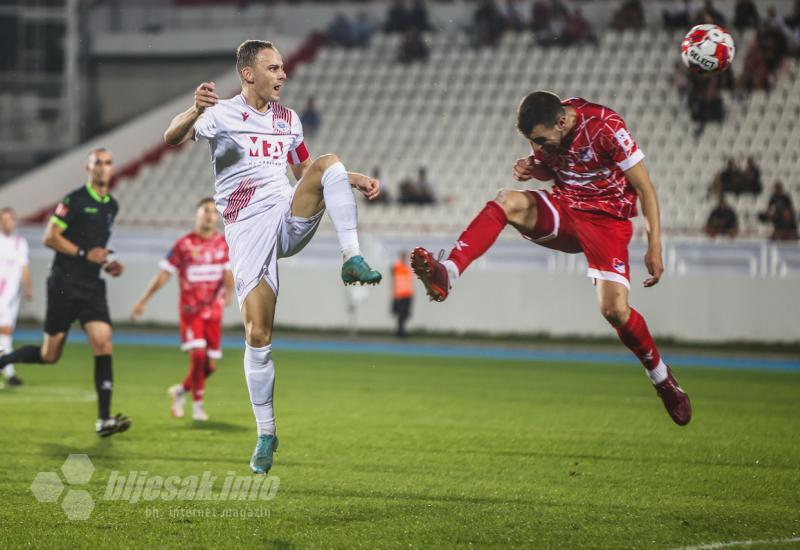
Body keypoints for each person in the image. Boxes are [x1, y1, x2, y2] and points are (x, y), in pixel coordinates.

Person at [163, 40, 382, 474]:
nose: (282, 75)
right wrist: (193, 109)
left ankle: (351, 257)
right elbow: (172, 137)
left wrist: (346, 176)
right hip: (246, 229)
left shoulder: (288, 119)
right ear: (248, 73)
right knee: (257, 334)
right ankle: (266, 433)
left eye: (283, 68)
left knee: (328, 161)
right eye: (273, 68)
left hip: (286, 215)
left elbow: (305, 171)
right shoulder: (221, 113)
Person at [411, 91, 691, 426]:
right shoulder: (546, 132)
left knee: (614, 310)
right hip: (566, 209)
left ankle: (661, 378)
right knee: (507, 201)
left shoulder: (606, 126)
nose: (539, 146)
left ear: (562, 121)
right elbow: (552, 166)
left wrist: (654, 245)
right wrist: (534, 168)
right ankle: (449, 272)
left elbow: (646, 189)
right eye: (533, 142)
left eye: (542, 140)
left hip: (607, 221)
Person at [0, 149, 131, 437]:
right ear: (88, 168)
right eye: (98, 162)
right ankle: (3, 360)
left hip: (92, 285)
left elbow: (96, 249)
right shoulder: (75, 201)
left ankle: (104, 419)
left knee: (103, 342)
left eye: (108, 163)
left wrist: (107, 264)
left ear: (112, 169)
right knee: (49, 355)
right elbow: (50, 237)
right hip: (64, 283)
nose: (103, 167)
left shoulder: (112, 206)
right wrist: (85, 253)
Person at [130, 198, 233, 422]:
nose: (209, 215)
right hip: (191, 310)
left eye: (213, 212)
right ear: (196, 214)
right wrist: (143, 300)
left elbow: (228, 271)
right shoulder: (183, 245)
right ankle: (198, 407)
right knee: (197, 355)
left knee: (210, 366)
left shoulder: (223, 243)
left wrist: (230, 293)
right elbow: (164, 274)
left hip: (213, 312)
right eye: (205, 210)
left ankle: (180, 391)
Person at [0, 207, 33, 386]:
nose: (8, 223)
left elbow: (24, 267)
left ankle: (8, 371)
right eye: (4, 219)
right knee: (4, 333)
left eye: (10, 219)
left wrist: (28, 287)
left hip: (9, 297)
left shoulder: (19, 243)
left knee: (5, 333)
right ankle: (9, 371)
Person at [391, 251, 414, 338]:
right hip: (400, 294)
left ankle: (401, 330)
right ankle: (400, 332)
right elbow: (394, 278)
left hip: (408, 294)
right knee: (400, 314)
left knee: (406, 314)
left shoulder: (408, 267)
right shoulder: (397, 266)